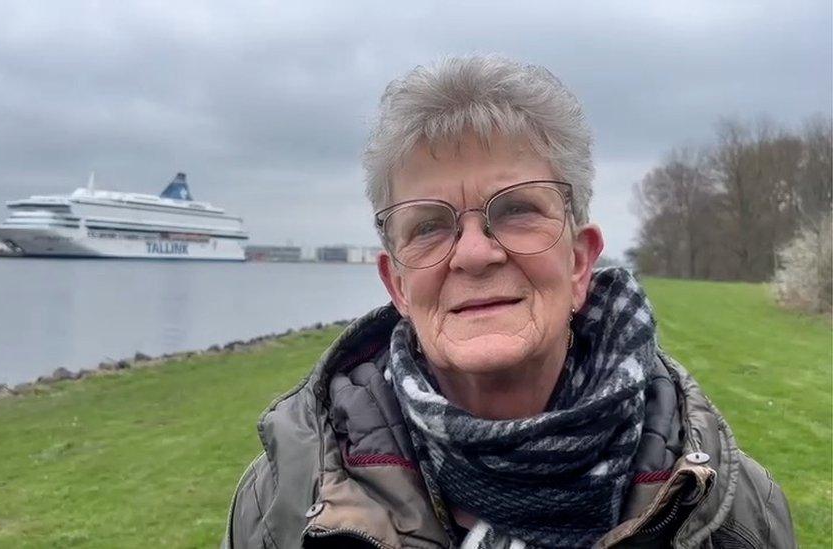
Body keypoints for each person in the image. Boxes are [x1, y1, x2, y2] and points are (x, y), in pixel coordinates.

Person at [223, 56, 795, 548]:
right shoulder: (283, 500)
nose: (474, 254)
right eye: (427, 226)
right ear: (396, 283)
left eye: (517, 210)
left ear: (578, 263)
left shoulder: (729, 506)